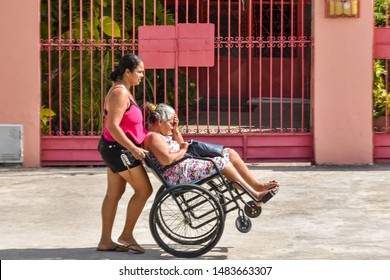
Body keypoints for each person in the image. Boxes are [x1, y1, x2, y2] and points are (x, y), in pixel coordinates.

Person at [143, 103, 280, 204]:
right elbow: (167, 160)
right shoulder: (153, 137)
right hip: (178, 173)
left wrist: (175, 130)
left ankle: (257, 185)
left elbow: (179, 144)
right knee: (222, 163)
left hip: (183, 165)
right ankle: (255, 195)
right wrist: (183, 150)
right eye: (171, 123)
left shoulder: (161, 134)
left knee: (230, 153)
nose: (172, 126)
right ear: (160, 122)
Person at [97, 54, 152, 253]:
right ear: (127, 72)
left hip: (113, 149)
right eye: (139, 72)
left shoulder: (124, 91)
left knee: (114, 194)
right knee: (144, 190)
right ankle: (126, 235)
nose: (142, 76)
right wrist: (134, 148)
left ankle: (105, 241)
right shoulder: (120, 93)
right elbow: (113, 126)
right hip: (118, 150)